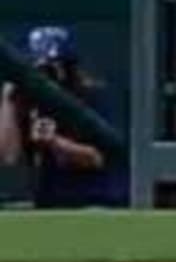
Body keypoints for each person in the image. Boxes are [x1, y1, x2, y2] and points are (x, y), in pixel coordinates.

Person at [2, 25, 123, 205]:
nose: (43, 77)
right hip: (51, 201)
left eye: (50, 69)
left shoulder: (92, 97)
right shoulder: (26, 101)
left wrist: (54, 142)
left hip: (95, 200)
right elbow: (9, 156)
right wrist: (9, 100)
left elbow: (96, 158)